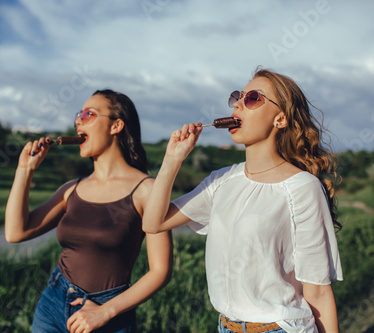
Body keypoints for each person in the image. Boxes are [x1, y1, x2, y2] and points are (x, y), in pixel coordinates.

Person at [142, 68, 343, 333]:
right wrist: (172, 159)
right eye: (238, 97)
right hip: (224, 326)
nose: (237, 103)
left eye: (252, 99)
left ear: (280, 119)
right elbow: (154, 223)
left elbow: (317, 293)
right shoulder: (221, 181)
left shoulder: (302, 188)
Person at [5, 89, 172, 333]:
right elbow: (15, 233)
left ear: (116, 126)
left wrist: (105, 312)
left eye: (88, 114)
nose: (78, 121)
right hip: (53, 303)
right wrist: (25, 170)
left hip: (109, 316)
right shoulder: (71, 189)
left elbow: (161, 271)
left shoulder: (147, 190)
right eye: (78, 116)